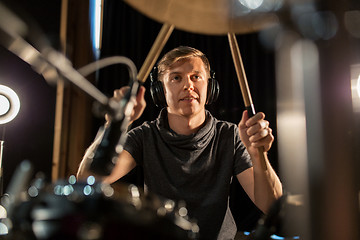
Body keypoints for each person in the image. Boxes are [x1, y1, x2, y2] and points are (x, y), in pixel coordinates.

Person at [77, 46, 282, 240]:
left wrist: (258, 154)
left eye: (196, 77)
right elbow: (87, 180)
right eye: (176, 78)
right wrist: (115, 124)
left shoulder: (230, 136)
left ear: (210, 88)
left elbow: (271, 205)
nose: (188, 85)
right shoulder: (144, 136)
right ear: (160, 92)